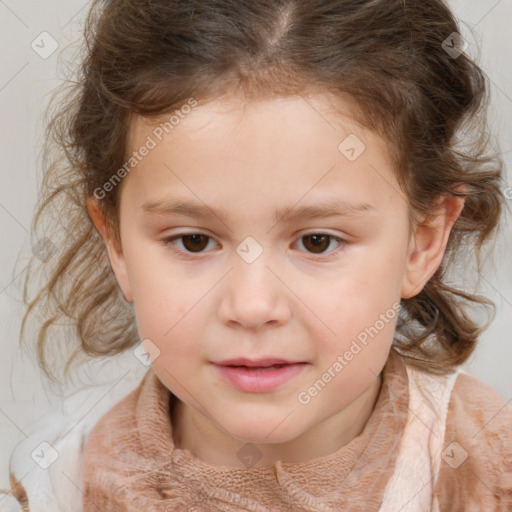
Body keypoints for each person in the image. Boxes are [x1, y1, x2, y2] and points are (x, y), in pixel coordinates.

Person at [1, 0, 511, 510]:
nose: (250, 306)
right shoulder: (60, 484)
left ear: (421, 242)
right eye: (194, 241)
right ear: (116, 243)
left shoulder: (487, 468)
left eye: (317, 241)